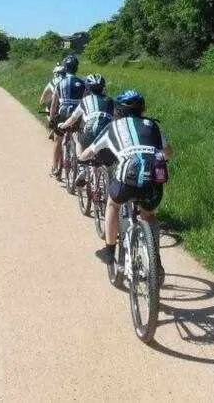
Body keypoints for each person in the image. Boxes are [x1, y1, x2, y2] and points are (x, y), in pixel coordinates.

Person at [79, 89, 172, 282]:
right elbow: (168, 152)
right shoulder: (152, 125)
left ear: (119, 110)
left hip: (127, 178)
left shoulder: (113, 127)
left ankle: (109, 250)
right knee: (149, 215)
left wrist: (81, 158)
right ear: (142, 109)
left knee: (113, 204)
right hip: (154, 179)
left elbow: (91, 150)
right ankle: (155, 260)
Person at [57, 73, 113, 187]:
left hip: (90, 131)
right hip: (107, 133)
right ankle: (108, 179)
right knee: (105, 156)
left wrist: (63, 125)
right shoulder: (111, 101)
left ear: (87, 88)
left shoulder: (85, 101)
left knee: (77, 138)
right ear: (103, 88)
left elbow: (73, 118)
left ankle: (82, 166)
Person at [47, 55, 84, 177]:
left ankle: (55, 168)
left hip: (63, 113)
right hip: (77, 115)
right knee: (78, 138)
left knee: (57, 140)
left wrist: (52, 119)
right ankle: (81, 167)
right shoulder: (82, 83)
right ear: (76, 68)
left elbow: (54, 104)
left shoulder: (60, 83)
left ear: (65, 68)